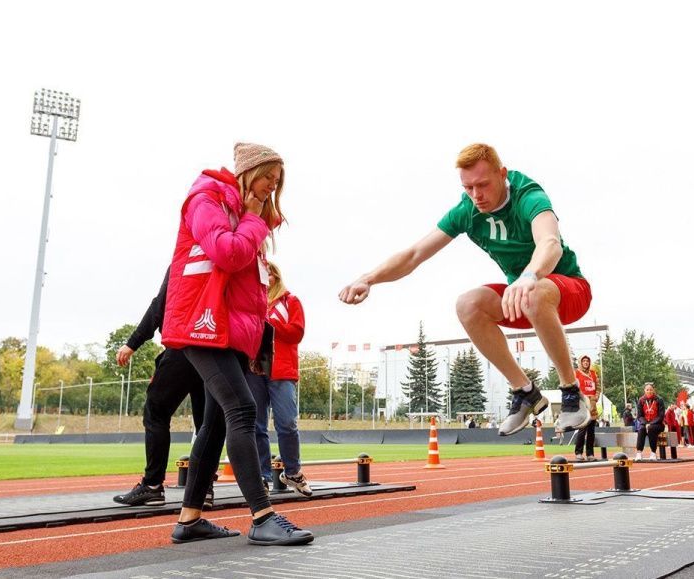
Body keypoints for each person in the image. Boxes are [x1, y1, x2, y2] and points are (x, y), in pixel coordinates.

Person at [339, 144, 592, 436]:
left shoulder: (528, 195)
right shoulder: (467, 211)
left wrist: (529, 275)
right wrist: (368, 278)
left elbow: (550, 243)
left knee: (533, 293)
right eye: (468, 187)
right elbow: (414, 254)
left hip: (569, 292)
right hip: (523, 300)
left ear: (502, 175)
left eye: (483, 185)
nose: (476, 195)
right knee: (468, 304)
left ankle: (572, 393)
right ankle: (525, 392)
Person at [162, 142, 312, 546]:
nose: (270, 187)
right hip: (201, 322)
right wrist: (251, 218)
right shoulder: (206, 198)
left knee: (213, 424)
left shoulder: (244, 212)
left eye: (276, 182)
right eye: (266, 178)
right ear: (248, 172)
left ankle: (189, 519)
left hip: (225, 329)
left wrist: (256, 344)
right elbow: (227, 254)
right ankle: (262, 516)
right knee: (243, 409)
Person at [113, 269, 209, 508]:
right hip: (215, 348)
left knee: (156, 410)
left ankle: (153, 485)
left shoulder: (186, 257)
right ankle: (204, 489)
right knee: (207, 423)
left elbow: (160, 303)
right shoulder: (225, 255)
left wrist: (133, 342)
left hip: (185, 343)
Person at [245, 261, 311, 496]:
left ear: (276, 276)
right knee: (256, 425)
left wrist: (269, 325)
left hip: (281, 370)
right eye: (263, 274)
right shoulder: (250, 301)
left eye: (270, 274)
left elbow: (297, 332)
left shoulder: (290, 301)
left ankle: (292, 471)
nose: (266, 278)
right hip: (254, 368)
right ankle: (261, 476)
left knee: (287, 423)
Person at [572, 355, 598, 461]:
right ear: (581, 362)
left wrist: (596, 397)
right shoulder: (576, 373)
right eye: (584, 361)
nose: (586, 362)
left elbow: (598, 387)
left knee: (591, 430)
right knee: (582, 429)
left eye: (587, 361)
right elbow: (573, 387)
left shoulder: (593, 374)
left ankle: (590, 454)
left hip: (592, 404)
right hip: (582, 403)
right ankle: (578, 452)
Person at [634, 383, 666, 460]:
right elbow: (640, 416)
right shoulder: (641, 400)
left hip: (658, 424)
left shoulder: (659, 400)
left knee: (651, 429)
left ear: (653, 390)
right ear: (644, 390)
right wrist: (646, 423)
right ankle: (639, 453)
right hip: (645, 423)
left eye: (651, 389)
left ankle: (653, 453)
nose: (649, 391)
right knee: (641, 429)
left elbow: (661, 416)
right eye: (647, 390)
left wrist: (651, 423)